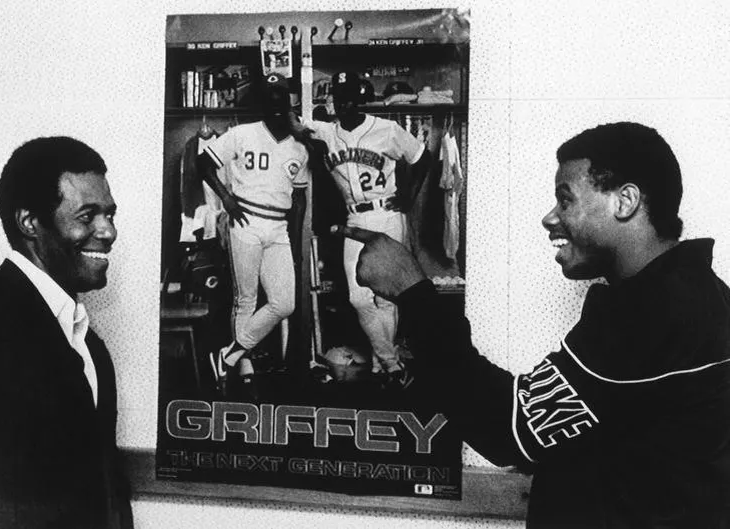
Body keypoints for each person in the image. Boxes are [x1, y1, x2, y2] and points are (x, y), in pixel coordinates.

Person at [333, 122, 730, 528]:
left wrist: (412, 291)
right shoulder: (702, 293)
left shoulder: (654, 310)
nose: (549, 217)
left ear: (625, 201)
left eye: (565, 200)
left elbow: (506, 429)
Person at [0, 137, 133, 528]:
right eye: (87, 215)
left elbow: (106, 487)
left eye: (110, 214)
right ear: (30, 223)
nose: (108, 231)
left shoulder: (90, 347)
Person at [301, 70, 432, 390]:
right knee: (359, 298)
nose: (344, 103)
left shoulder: (387, 129)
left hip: (387, 215)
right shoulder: (327, 132)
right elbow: (297, 120)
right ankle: (391, 363)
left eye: (350, 98)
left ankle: (383, 366)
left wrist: (409, 196)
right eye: (339, 97)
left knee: (387, 299)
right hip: (354, 221)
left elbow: (423, 158)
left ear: (360, 99)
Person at [199, 73, 308, 390]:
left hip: (279, 227)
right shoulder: (242, 133)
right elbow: (203, 162)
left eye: (281, 95)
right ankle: (242, 366)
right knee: (245, 300)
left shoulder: (299, 147)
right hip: (245, 221)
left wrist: (297, 243)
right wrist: (227, 198)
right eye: (270, 96)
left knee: (284, 303)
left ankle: (228, 355)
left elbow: (299, 200)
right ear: (263, 101)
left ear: (289, 100)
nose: (276, 101)